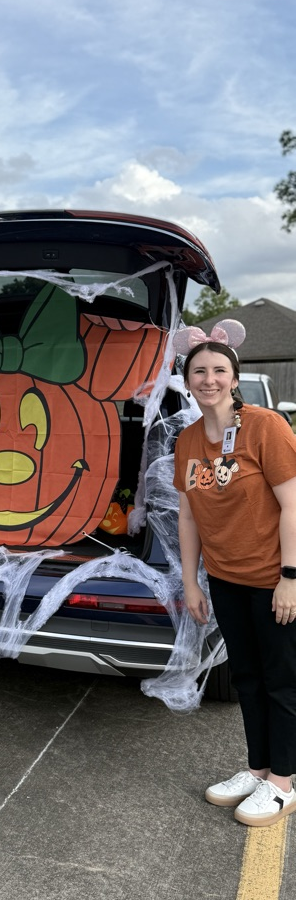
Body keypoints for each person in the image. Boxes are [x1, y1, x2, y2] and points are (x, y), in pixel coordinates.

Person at [173, 320, 296, 827]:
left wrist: (291, 576)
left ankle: (284, 783)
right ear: (187, 381)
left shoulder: (265, 426)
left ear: (234, 376)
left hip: (274, 577)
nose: (209, 379)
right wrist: (190, 580)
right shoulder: (186, 442)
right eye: (199, 371)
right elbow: (187, 515)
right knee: (245, 678)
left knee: (281, 681)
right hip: (226, 579)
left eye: (219, 370)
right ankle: (258, 768)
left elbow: (292, 504)